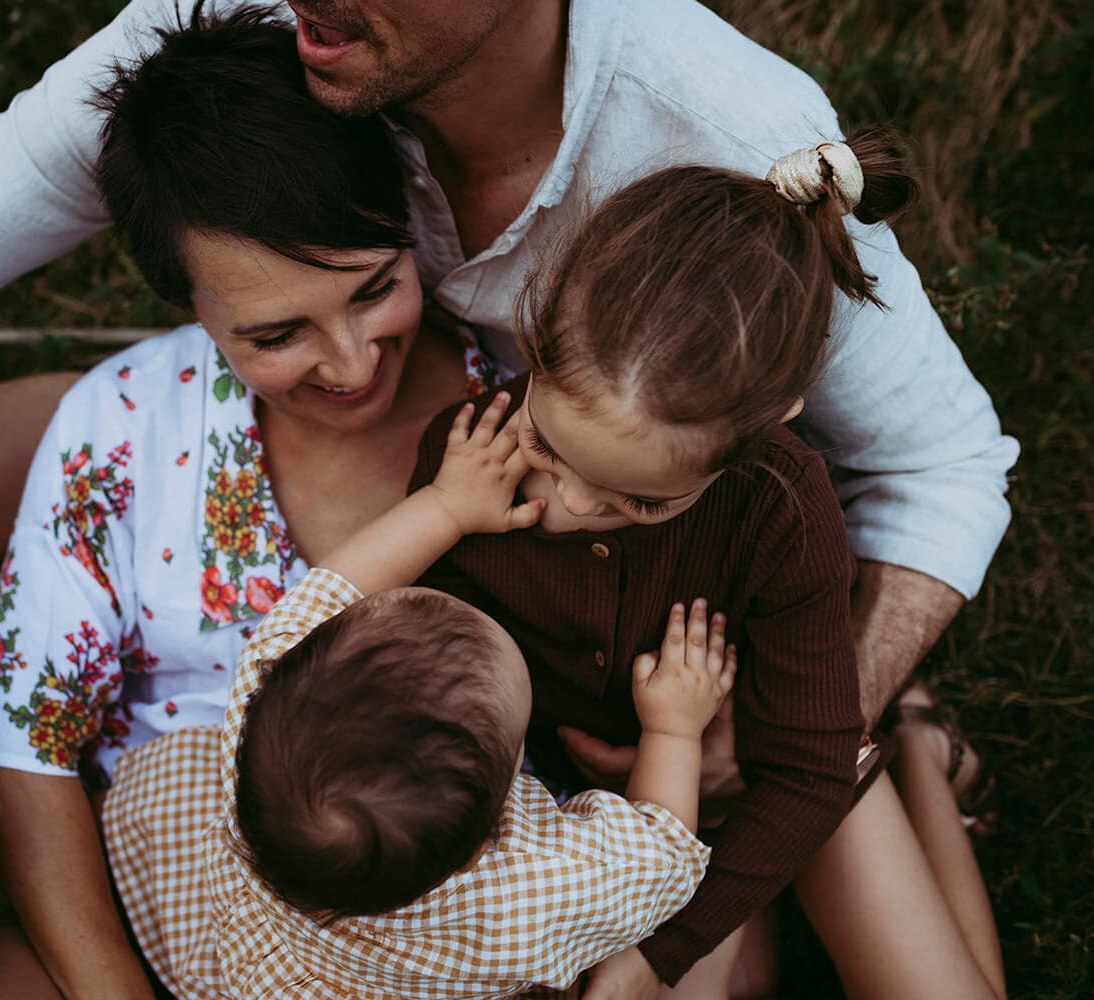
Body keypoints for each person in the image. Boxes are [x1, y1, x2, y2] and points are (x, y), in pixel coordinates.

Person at [0, 1, 1016, 793]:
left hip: (551, 510)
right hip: (279, 428)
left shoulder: (726, 133)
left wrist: (786, 728)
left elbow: (946, 466)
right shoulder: (254, 33)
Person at [0, 11, 505, 997]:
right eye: (277, 333)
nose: (352, 362)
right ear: (189, 305)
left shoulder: (516, 407)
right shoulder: (119, 424)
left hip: (452, 927)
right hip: (156, 898)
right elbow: (29, 735)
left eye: (375, 289)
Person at [405, 133, 1005, 998]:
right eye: (550, 448)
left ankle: (912, 743)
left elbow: (806, 773)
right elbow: (432, 664)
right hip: (623, 811)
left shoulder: (781, 508)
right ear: (534, 339)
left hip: (773, 762)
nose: (571, 507)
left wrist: (658, 953)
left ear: (765, 430)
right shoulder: (467, 459)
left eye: (643, 503)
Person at [103, 395, 733, 998]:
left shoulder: (263, 691)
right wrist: (673, 729)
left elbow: (340, 582)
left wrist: (449, 507)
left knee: (174, 786)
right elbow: (659, 854)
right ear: (499, 818)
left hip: (259, 959)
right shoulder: (519, 900)